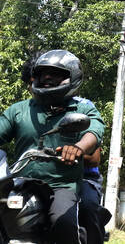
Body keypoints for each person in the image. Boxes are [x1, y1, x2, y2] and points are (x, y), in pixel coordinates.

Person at [0, 49, 105, 244]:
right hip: (21, 183)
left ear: (71, 78)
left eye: (55, 73)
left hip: (61, 185)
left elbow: (94, 131)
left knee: (63, 221)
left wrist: (79, 147)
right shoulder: (19, 110)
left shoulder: (82, 108)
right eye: (43, 73)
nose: (47, 77)